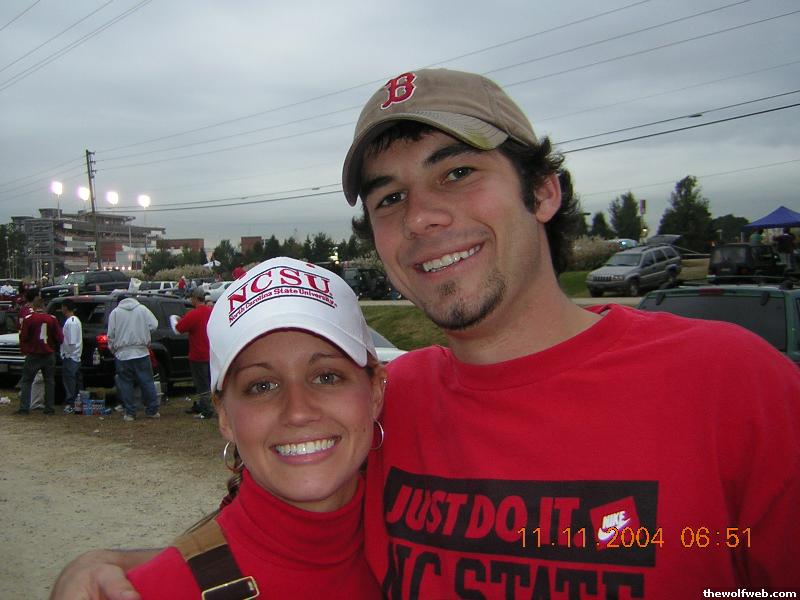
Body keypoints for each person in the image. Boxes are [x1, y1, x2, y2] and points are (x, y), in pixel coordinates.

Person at [50, 69, 800, 598]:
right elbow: (299, 544)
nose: (421, 217)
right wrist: (139, 571)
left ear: (543, 190)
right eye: (389, 198)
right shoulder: (385, 405)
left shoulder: (731, 382)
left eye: (457, 173)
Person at [97, 257, 387, 599]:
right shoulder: (160, 590)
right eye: (262, 386)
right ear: (224, 416)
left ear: (375, 391)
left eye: (327, 377)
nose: (298, 412)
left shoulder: (425, 547)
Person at [107, 295, 160, 421]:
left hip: (123, 353)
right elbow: (154, 325)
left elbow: (111, 334)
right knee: (147, 382)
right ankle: (152, 410)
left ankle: (130, 413)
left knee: (126, 384)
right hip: (141, 351)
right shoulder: (142, 309)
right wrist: (144, 333)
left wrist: (113, 349)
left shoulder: (115, 313)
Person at [171, 287, 214, 419]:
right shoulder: (211, 312)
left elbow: (178, 329)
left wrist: (174, 319)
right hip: (212, 354)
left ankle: (206, 410)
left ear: (195, 299)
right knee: (211, 382)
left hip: (198, 355)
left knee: (202, 384)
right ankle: (209, 406)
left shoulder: (194, 314)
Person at [16, 296, 62, 415]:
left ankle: (24, 408)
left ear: (34, 306)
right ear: (44, 306)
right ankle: (49, 408)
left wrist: (25, 351)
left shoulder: (29, 319)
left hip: (33, 353)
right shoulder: (52, 319)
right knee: (49, 381)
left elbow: (23, 337)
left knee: (27, 381)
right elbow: (59, 337)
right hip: (48, 353)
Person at [60, 299, 83, 414]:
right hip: (74, 356)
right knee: (75, 381)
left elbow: (72, 342)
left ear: (65, 307)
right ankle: (77, 402)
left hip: (71, 356)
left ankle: (71, 403)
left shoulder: (72, 322)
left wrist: (67, 354)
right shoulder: (73, 321)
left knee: (70, 381)